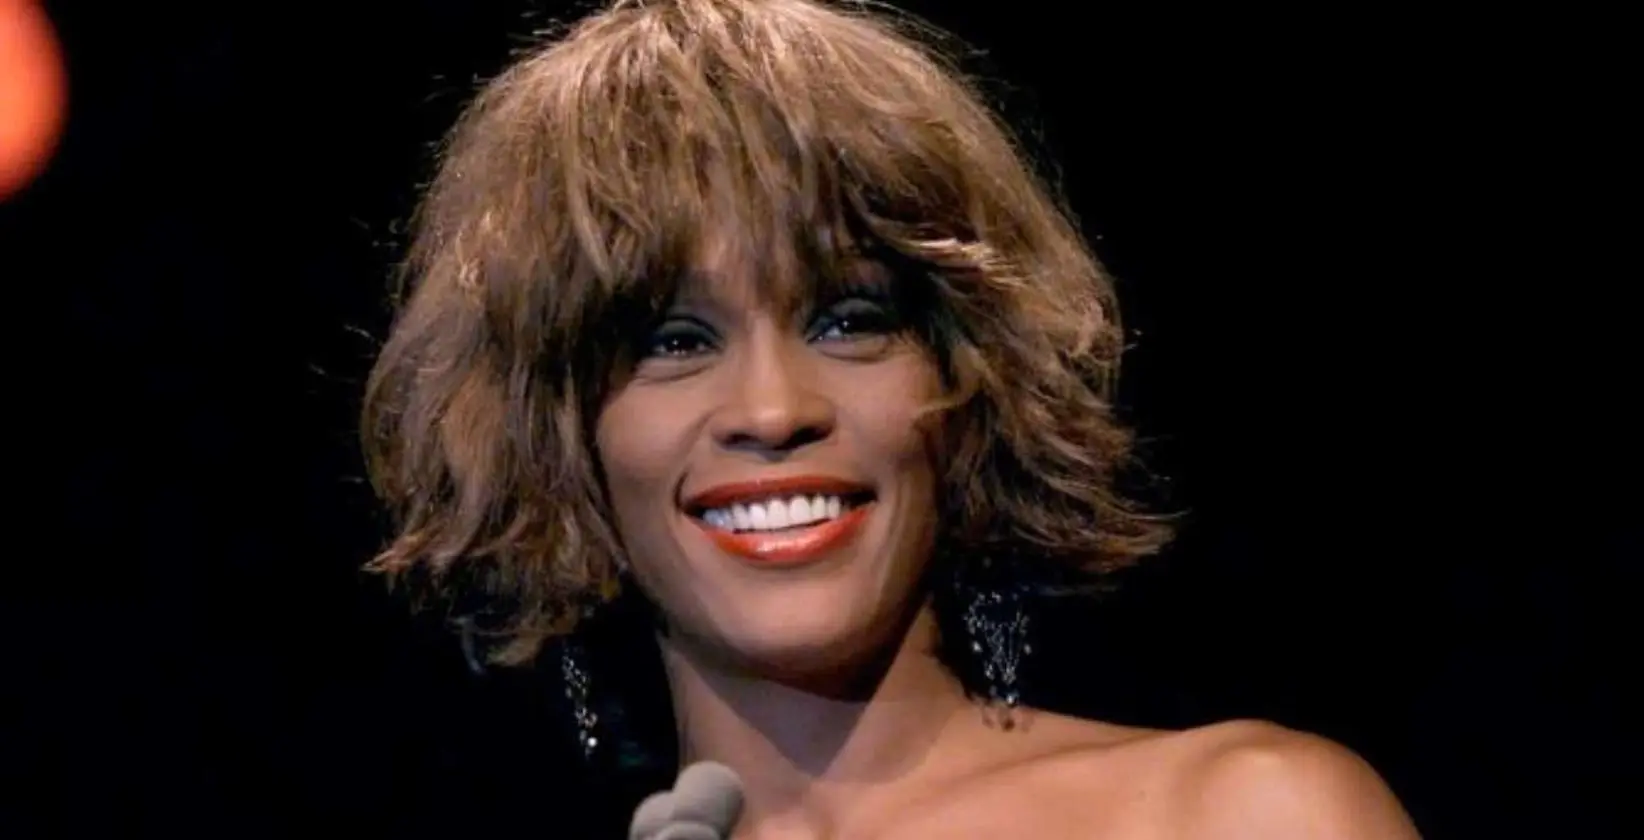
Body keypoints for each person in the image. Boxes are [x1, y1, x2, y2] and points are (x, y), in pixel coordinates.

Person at [361, 0, 1421, 836]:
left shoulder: (1242, 814)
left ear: (972, 383)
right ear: (556, 436)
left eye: (850, 321)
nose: (773, 411)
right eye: (672, 341)